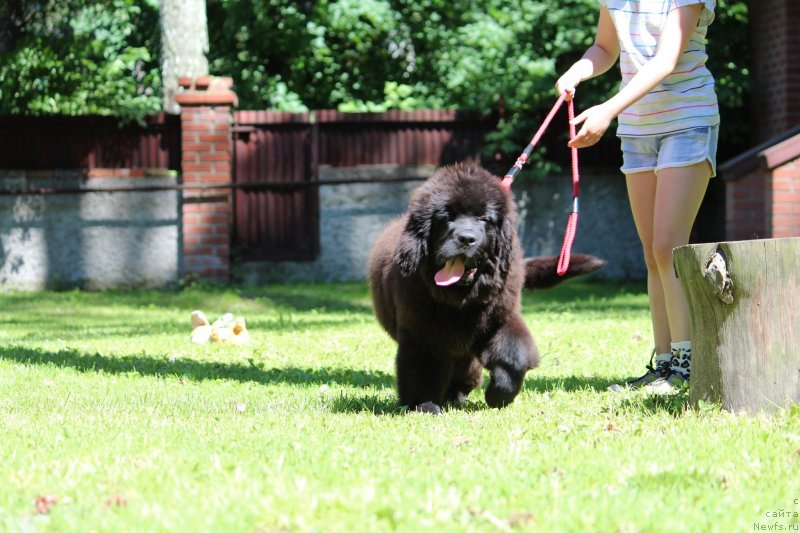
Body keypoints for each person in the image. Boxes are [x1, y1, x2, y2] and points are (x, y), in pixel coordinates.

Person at [555, 0, 719, 393]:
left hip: (687, 120)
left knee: (669, 246)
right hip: (637, 129)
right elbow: (606, 49)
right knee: (651, 251)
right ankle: (663, 365)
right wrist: (578, 70)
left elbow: (666, 59)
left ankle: (686, 366)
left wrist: (607, 110)